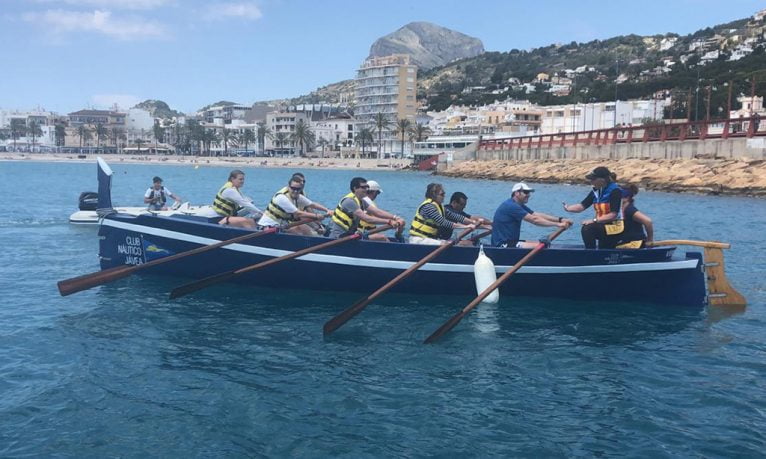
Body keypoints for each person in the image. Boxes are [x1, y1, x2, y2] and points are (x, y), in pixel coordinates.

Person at [491, 182, 572, 248]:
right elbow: (534, 220)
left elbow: (535, 215)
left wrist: (560, 219)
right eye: (526, 192)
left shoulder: (518, 205)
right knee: (541, 246)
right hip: (501, 245)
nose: (529, 195)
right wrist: (558, 224)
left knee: (540, 243)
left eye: (529, 192)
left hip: (511, 242)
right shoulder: (511, 206)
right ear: (516, 193)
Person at [562, 166, 624, 249]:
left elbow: (613, 215)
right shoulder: (596, 191)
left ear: (602, 180)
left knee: (587, 229)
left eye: (593, 179)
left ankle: (590, 254)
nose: (591, 182)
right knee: (601, 245)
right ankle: (593, 252)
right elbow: (582, 206)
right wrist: (568, 208)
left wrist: (593, 220)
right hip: (602, 226)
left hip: (615, 227)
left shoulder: (615, 191)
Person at [326, 177, 404, 241]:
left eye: (367, 187)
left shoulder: (361, 201)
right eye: (363, 187)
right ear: (355, 188)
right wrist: (389, 221)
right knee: (382, 238)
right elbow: (367, 218)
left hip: (349, 235)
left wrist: (395, 217)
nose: (366, 190)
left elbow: (377, 212)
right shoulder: (349, 201)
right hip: (339, 237)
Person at [409, 183, 482, 245]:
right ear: (434, 195)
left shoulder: (440, 207)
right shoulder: (428, 207)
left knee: (454, 243)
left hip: (428, 239)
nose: (444, 196)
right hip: (418, 240)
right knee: (447, 244)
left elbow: (456, 217)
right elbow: (444, 222)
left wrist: (473, 222)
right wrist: (466, 227)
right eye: (442, 194)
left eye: (444, 194)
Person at [258, 175, 332, 236]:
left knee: (302, 229)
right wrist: (316, 216)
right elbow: (298, 213)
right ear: (288, 187)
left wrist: (327, 210)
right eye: (293, 188)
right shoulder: (281, 197)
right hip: (267, 228)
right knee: (299, 231)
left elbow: (312, 204)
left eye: (298, 189)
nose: (295, 191)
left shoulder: (296, 196)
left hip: (280, 227)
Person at [615, 184, 654, 249]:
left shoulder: (630, 210)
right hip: (625, 242)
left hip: (636, 243)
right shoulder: (618, 210)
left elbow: (648, 221)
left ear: (627, 198)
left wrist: (650, 240)